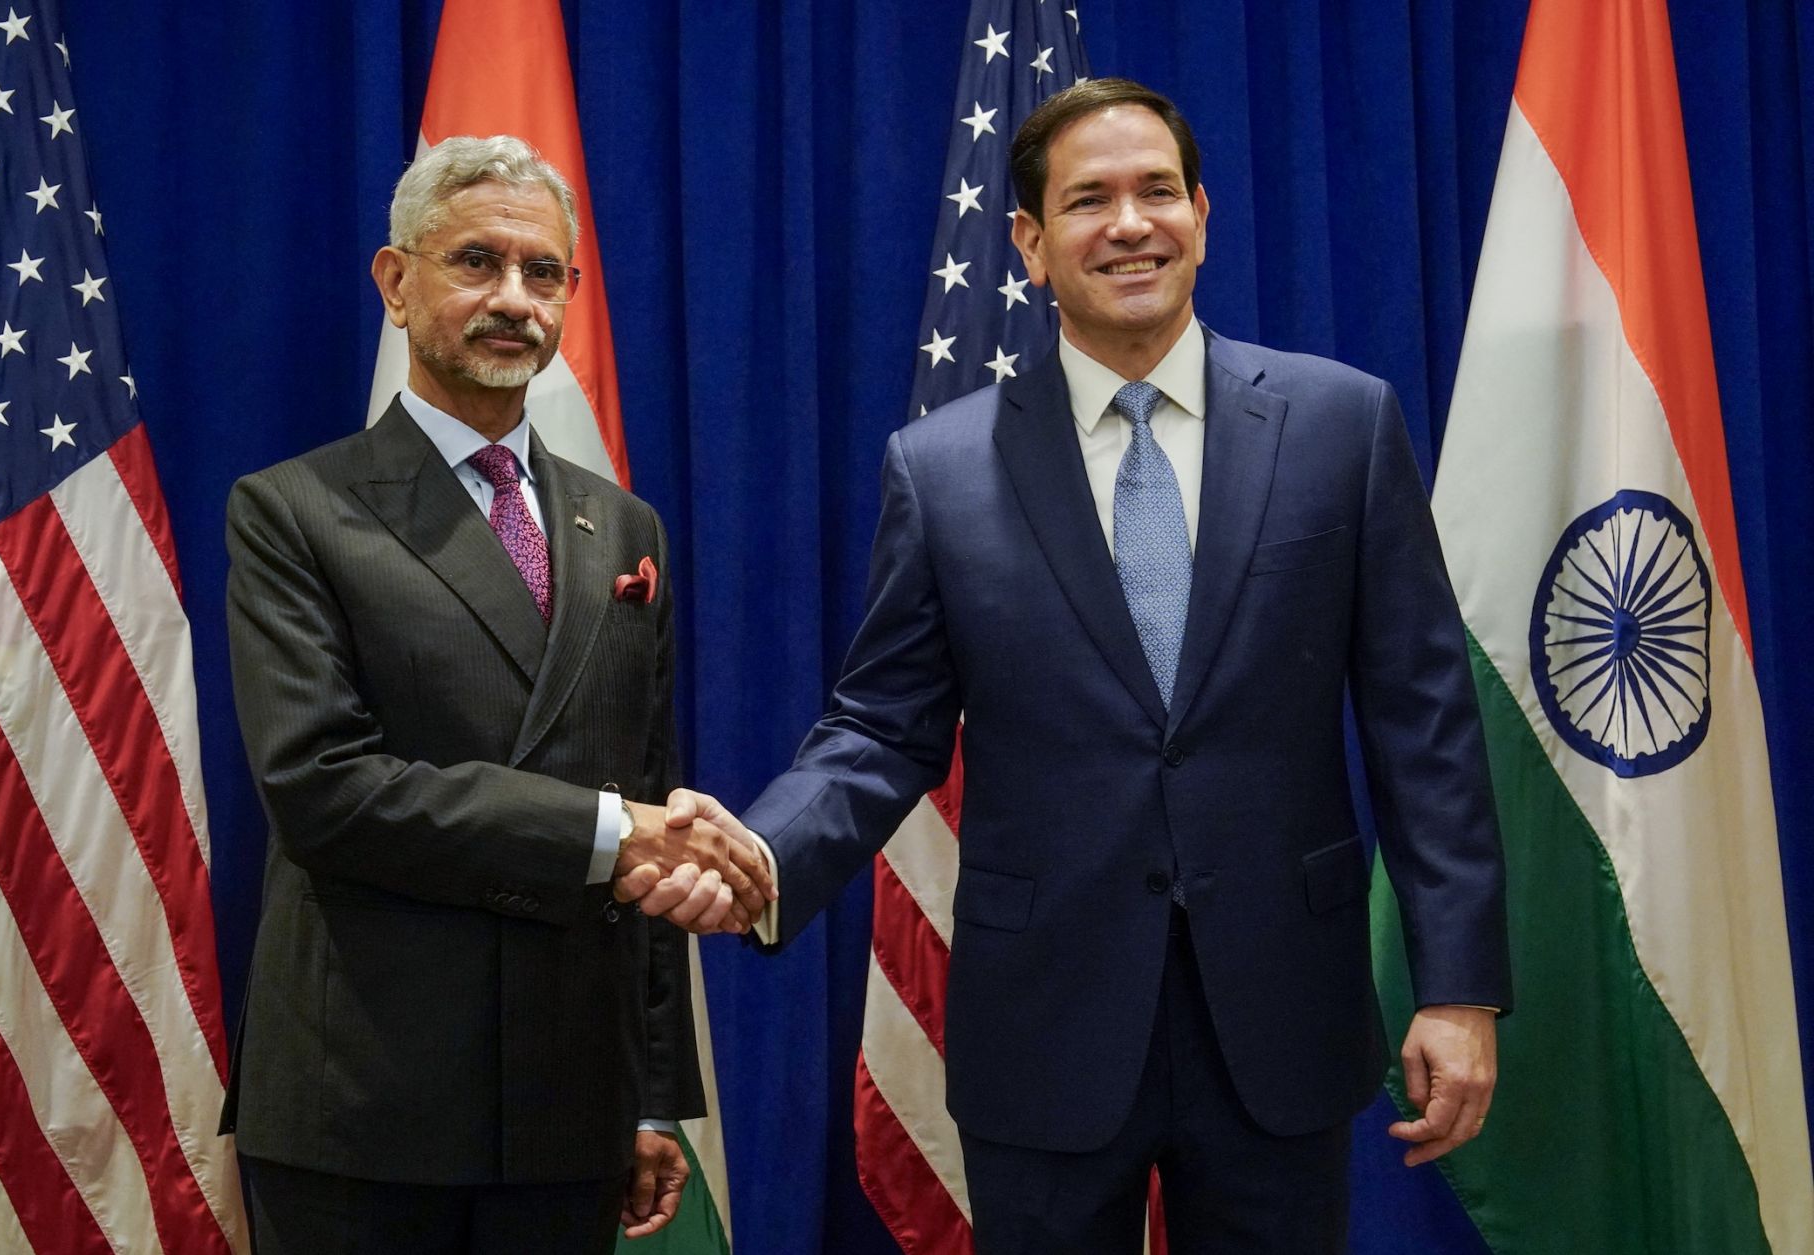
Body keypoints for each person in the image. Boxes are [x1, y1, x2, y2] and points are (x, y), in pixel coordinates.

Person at [637, 79, 1511, 1253]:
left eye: (1158, 190)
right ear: (1031, 245)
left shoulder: (1341, 424)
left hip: (1278, 1011)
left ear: (1203, 211)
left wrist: (1457, 985)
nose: (1131, 223)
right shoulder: (941, 469)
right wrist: (762, 851)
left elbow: (1425, 723)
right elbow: (882, 724)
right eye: (1088, 200)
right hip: (1044, 1021)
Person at [222, 135, 772, 1255]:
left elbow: (650, 806)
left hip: (572, 1107)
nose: (514, 299)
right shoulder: (292, 510)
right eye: (476, 261)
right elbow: (322, 790)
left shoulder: (623, 526)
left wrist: (654, 1091)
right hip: (365, 1105)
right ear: (396, 280)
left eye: (544, 272)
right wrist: (606, 832)